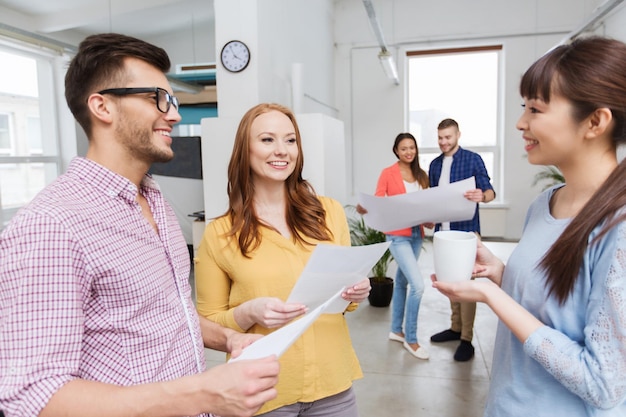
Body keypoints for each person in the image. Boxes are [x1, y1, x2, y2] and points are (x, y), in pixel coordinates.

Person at [0, 33, 280, 417]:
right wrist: (201, 394)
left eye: (173, 99)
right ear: (102, 106)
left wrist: (228, 337)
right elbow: (34, 396)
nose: (175, 114)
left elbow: (167, 313)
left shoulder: (153, 199)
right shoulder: (51, 225)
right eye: (156, 99)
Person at [433, 36, 626, 416]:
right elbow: (554, 311)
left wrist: (493, 296)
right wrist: (501, 274)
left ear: (595, 121)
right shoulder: (545, 203)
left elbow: (603, 385)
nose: (521, 123)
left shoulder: (618, 227)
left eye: (535, 109)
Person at [195, 103, 371, 417]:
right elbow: (205, 324)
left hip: (333, 385)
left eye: (290, 140)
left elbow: (344, 302)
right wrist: (248, 312)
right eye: (267, 140)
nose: (282, 151)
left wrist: (354, 292)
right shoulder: (220, 234)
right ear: (244, 151)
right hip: (261, 392)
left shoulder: (328, 213)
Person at [356, 133, 431, 359]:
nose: (408, 152)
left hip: (417, 234)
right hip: (397, 236)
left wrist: (430, 218)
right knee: (418, 286)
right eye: (403, 148)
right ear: (396, 151)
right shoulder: (388, 174)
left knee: (402, 281)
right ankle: (411, 339)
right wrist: (366, 208)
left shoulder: (422, 176)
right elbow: (380, 201)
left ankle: (396, 330)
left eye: (412, 148)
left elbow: (426, 205)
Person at [428, 118, 495, 361]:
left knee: (467, 285)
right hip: (442, 232)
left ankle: (467, 338)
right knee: (449, 283)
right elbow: (434, 198)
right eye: (440, 138)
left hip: (466, 233)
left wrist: (482, 195)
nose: (444, 142)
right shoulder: (435, 165)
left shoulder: (472, 159)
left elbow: (489, 191)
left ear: (458, 135)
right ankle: (455, 328)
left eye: (448, 137)